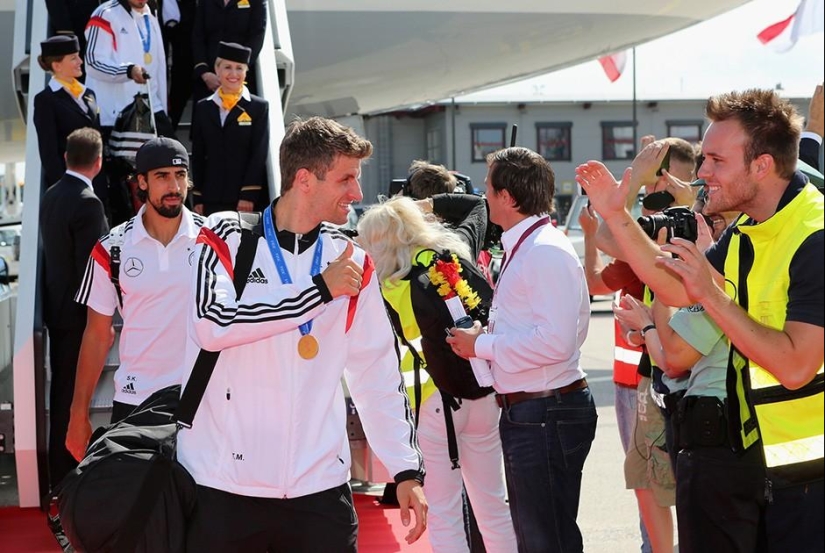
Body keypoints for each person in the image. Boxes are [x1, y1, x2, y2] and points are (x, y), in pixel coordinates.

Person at [577, 88, 824, 552]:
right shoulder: (750, 229)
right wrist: (616, 213)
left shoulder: (816, 237)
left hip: (809, 485)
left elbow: (795, 367)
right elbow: (677, 286)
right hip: (764, 471)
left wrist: (712, 297)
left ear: (762, 166)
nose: (703, 172)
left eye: (716, 160)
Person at [178, 116, 427, 551]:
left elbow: (376, 375)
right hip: (222, 487)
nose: (358, 194)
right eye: (346, 178)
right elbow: (212, 325)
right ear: (305, 179)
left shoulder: (353, 258)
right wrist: (316, 292)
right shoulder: (224, 234)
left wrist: (406, 470)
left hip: (320, 490)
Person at [447, 146, 597, 552]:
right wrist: (489, 339)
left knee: (544, 539)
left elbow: (557, 340)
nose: (483, 196)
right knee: (540, 536)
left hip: (543, 413)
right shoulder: (533, 245)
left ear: (508, 198)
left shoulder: (544, 250)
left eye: (488, 189)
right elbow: (557, 332)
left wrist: (484, 344)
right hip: (536, 410)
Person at [357, 195, 516, 553]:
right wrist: (425, 204)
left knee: (445, 514)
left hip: (432, 405)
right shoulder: (453, 257)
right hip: (482, 391)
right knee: (493, 507)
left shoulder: (385, 288)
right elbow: (479, 205)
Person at [66, 137, 205, 461]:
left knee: (203, 509)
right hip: (136, 400)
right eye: (162, 176)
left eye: (180, 175)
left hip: (203, 398)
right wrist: (77, 414)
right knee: (139, 510)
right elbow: (98, 335)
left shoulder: (214, 240)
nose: (174, 186)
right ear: (141, 181)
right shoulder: (111, 247)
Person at [39, 127, 109, 492]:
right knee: (71, 399)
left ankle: (58, 476)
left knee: (62, 394)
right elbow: (91, 266)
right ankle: (68, 477)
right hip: (80, 318)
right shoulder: (88, 202)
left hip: (56, 312)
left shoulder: (51, 194)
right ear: (98, 163)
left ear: (66, 158)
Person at [191, 41, 269, 215]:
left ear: (246, 71)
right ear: (217, 70)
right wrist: (198, 196)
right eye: (227, 67)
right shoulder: (204, 107)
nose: (233, 74)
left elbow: (259, 153)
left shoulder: (258, 107)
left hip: (245, 201)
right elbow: (198, 154)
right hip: (211, 198)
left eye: (239, 68)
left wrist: (249, 193)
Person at [33, 35, 109, 206]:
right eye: (73, 58)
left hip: (98, 185)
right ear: (57, 65)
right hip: (70, 192)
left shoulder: (88, 94)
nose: (80, 61)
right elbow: (49, 153)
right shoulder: (46, 100)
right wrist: (66, 189)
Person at [84, 0, 173, 136]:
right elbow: (93, 63)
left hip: (152, 107)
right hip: (118, 114)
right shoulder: (104, 14)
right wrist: (128, 71)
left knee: (173, 153)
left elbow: (158, 64)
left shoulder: (150, 13)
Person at [191, 0, 266, 103]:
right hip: (209, 81)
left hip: (239, 80)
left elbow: (256, 37)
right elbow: (197, 36)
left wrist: (234, 73)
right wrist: (204, 73)